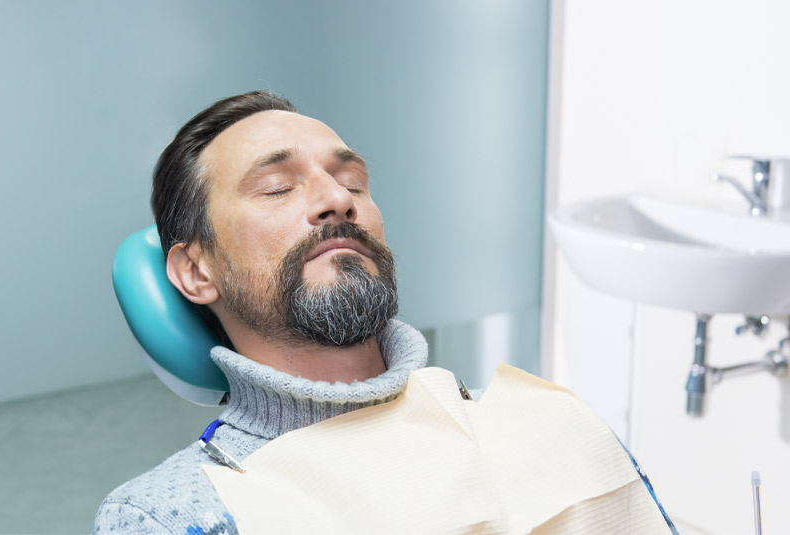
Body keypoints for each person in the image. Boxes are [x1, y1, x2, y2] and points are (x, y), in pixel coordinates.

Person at [94, 91, 676, 534]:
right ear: (197, 271)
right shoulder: (177, 514)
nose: (336, 199)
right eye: (276, 187)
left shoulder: (543, 420)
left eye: (351, 181)